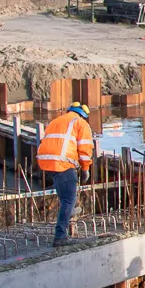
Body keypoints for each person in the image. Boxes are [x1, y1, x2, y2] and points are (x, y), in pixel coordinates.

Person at [36, 101, 95, 245]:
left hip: (46, 162)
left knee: (65, 200)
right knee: (69, 200)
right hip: (62, 163)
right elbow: (85, 149)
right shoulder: (81, 123)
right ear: (84, 115)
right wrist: (85, 168)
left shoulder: (56, 120)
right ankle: (60, 236)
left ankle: (67, 218)